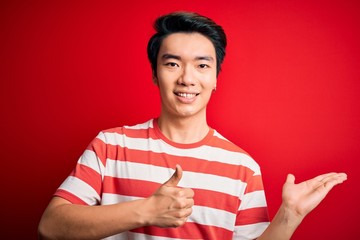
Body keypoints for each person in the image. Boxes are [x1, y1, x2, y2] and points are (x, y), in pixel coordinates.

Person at [38, 11, 347, 240]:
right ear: (155, 74)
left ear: (215, 79)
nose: (187, 78)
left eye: (202, 65)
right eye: (172, 63)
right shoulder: (110, 145)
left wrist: (289, 217)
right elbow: (50, 227)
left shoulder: (243, 167)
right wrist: (146, 211)